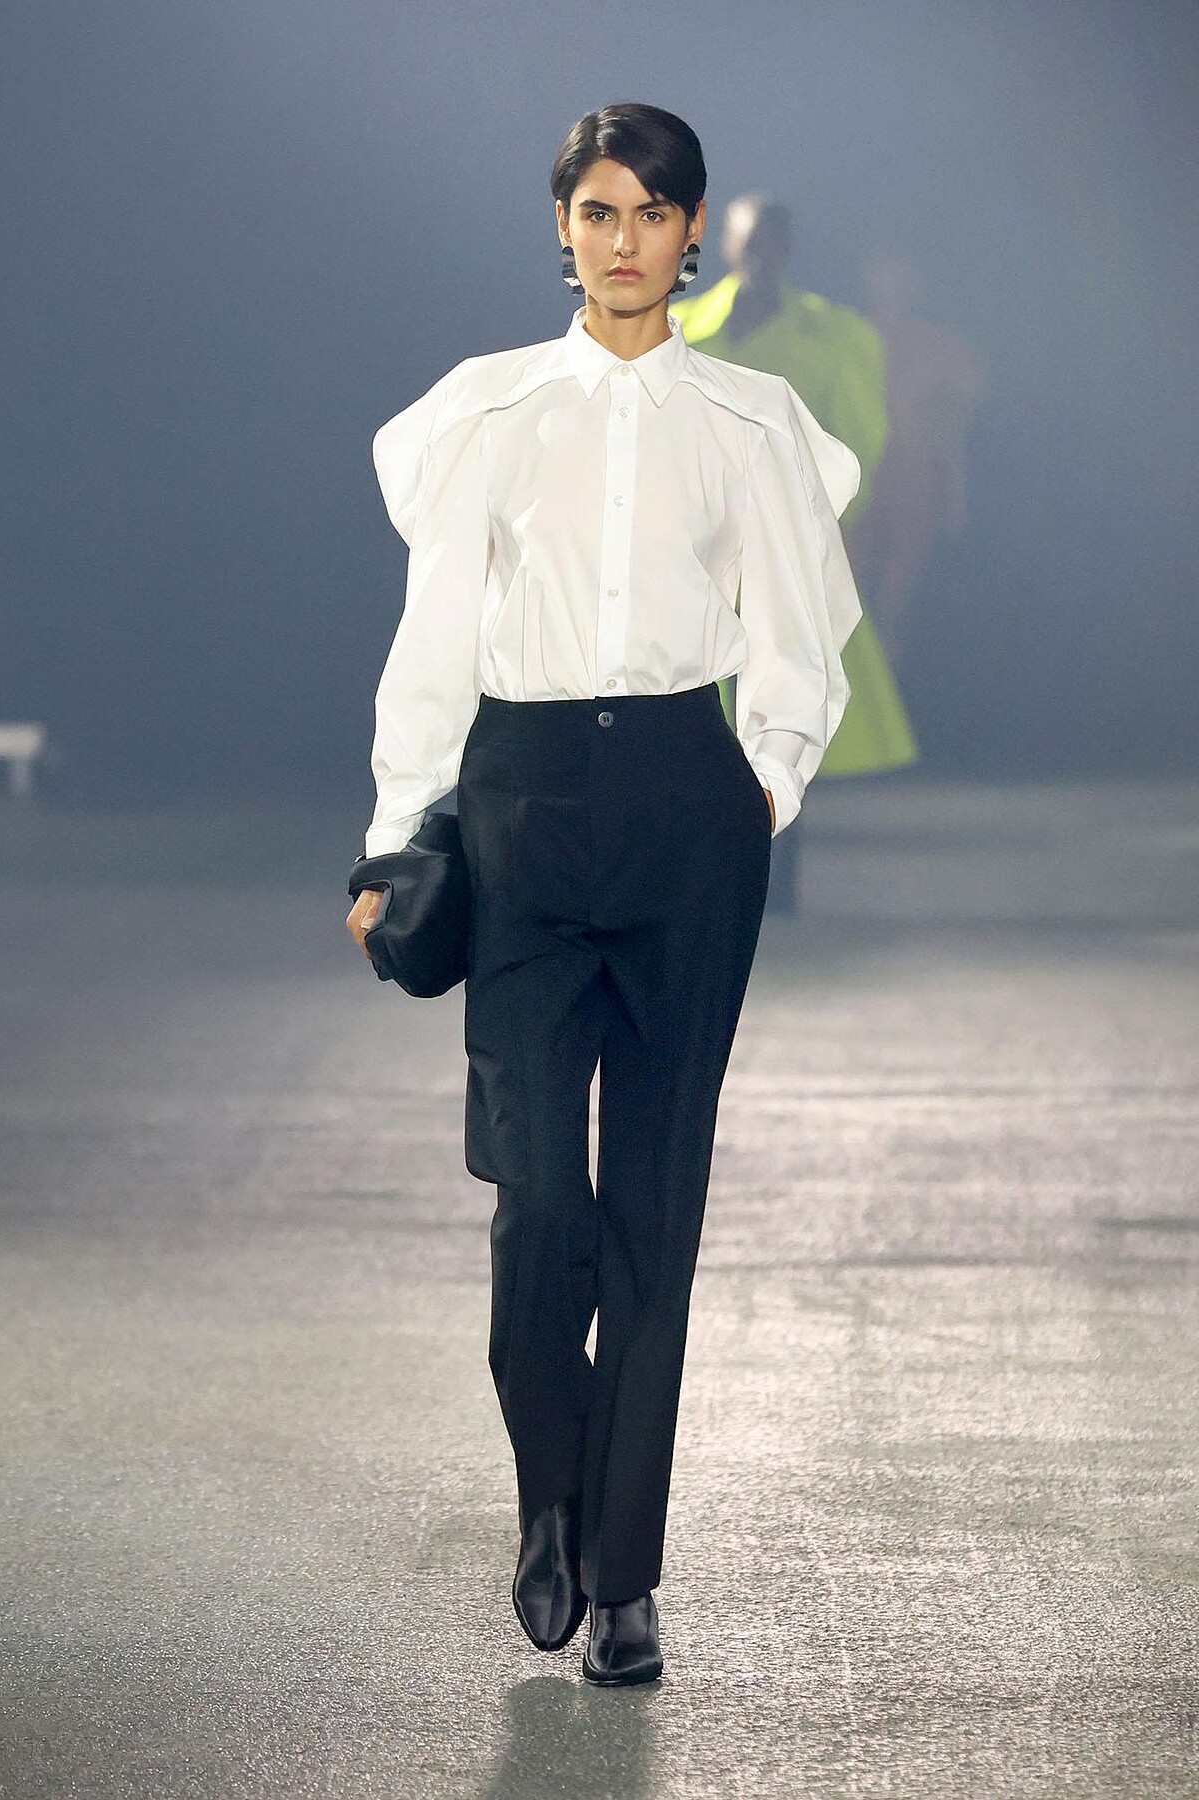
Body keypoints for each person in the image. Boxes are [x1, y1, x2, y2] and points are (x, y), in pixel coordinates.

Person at [344, 103, 863, 1686]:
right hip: (520, 810)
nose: (622, 240)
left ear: (692, 232)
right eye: (596, 211)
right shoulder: (488, 411)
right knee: (540, 1207)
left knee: (653, 1204)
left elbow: (804, 632)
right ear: (561, 228)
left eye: (650, 213)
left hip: (687, 817)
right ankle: (550, 1492)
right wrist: (395, 836)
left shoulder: (755, 421)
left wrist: (763, 785)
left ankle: (622, 1574)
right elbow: (437, 636)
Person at [670, 195, 918, 914]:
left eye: (772, 243)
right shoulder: (680, 328)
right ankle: (710, 881)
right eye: (749, 242)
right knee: (699, 721)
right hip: (697, 555)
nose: (760, 255)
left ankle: (776, 882)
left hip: (785, 548)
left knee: (780, 712)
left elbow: (861, 437)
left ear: (788, 249)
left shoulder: (835, 336)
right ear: (725, 245)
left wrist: (820, 524)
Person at [848, 250, 988, 669]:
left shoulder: (939, 348)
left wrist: (956, 492)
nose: (891, 283)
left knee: (896, 598)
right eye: (883, 272)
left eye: (901, 274)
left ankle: (892, 684)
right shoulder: (847, 336)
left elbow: (954, 425)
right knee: (849, 596)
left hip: (912, 480)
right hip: (858, 481)